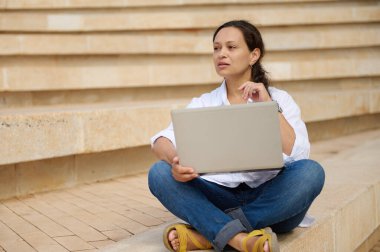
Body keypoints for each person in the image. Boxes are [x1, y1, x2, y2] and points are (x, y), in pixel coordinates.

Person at [148, 20, 325, 252]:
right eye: (216, 48)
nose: (221, 54)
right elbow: (161, 140)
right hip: (217, 196)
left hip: (272, 202)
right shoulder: (204, 102)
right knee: (159, 173)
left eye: (231, 47)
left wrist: (269, 107)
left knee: (311, 172)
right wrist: (175, 160)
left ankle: (208, 233)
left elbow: (299, 152)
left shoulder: (280, 100)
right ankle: (240, 239)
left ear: (253, 55)